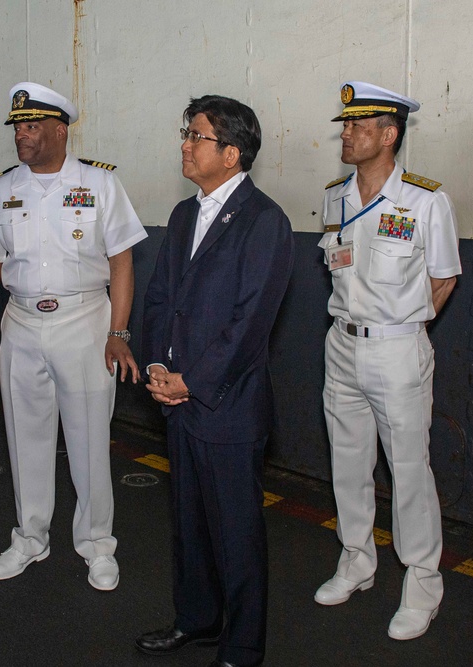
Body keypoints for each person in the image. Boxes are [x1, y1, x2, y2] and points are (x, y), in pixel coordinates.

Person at [0, 82, 147, 590]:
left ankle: (96, 545)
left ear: (59, 130)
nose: (21, 135)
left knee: (89, 438)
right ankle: (30, 537)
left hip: (84, 321)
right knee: (26, 437)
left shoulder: (100, 185)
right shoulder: (3, 189)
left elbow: (122, 262)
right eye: (17, 127)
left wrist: (118, 331)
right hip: (20, 323)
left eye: (31, 126)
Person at [136, 96, 294, 667]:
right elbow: (159, 299)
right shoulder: (184, 215)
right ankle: (197, 621)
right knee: (189, 524)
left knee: (236, 533)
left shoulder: (265, 221)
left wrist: (191, 382)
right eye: (187, 132)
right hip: (177, 398)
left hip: (226, 404)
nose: (185, 143)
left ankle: (243, 646)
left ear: (231, 153)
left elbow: (250, 324)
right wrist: (156, 366)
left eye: (196, 135)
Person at [313, 81, 460, 641]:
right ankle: (357, 560)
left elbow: (443, 277)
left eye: (356, 126)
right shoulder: (335, 196)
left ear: (389, 134)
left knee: (408, 470)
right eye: (345, 125)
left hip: (397, 347)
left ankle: (423, 582)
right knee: (348, 463)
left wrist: (407, 329)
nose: (345, 134)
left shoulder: (424, 200)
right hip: (341, 343)